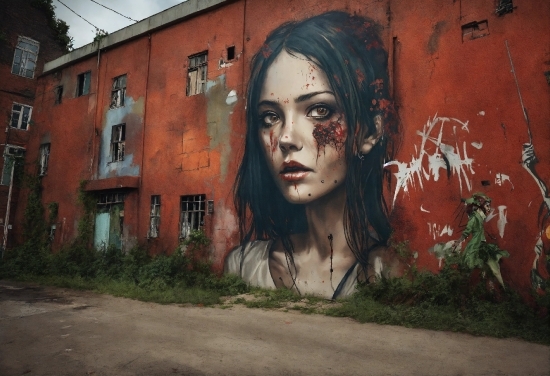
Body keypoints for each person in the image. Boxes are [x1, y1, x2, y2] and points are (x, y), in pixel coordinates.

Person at [225, 11, 399, 299]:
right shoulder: (243, 266)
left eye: (320, 110)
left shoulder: (383, 273)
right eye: (270, 116)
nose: (285, 138)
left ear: (369, 132)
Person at [453, 193, 509, 288]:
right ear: (480, 206)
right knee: (492, 269)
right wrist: (458, 242)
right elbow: (467, 231)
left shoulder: (479, 217)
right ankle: (504, 290)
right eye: (487, 206)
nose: (489, 208)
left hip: (480, 245)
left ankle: (485, 288)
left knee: (487, 269)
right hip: (476, 246)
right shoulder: (475, 218)